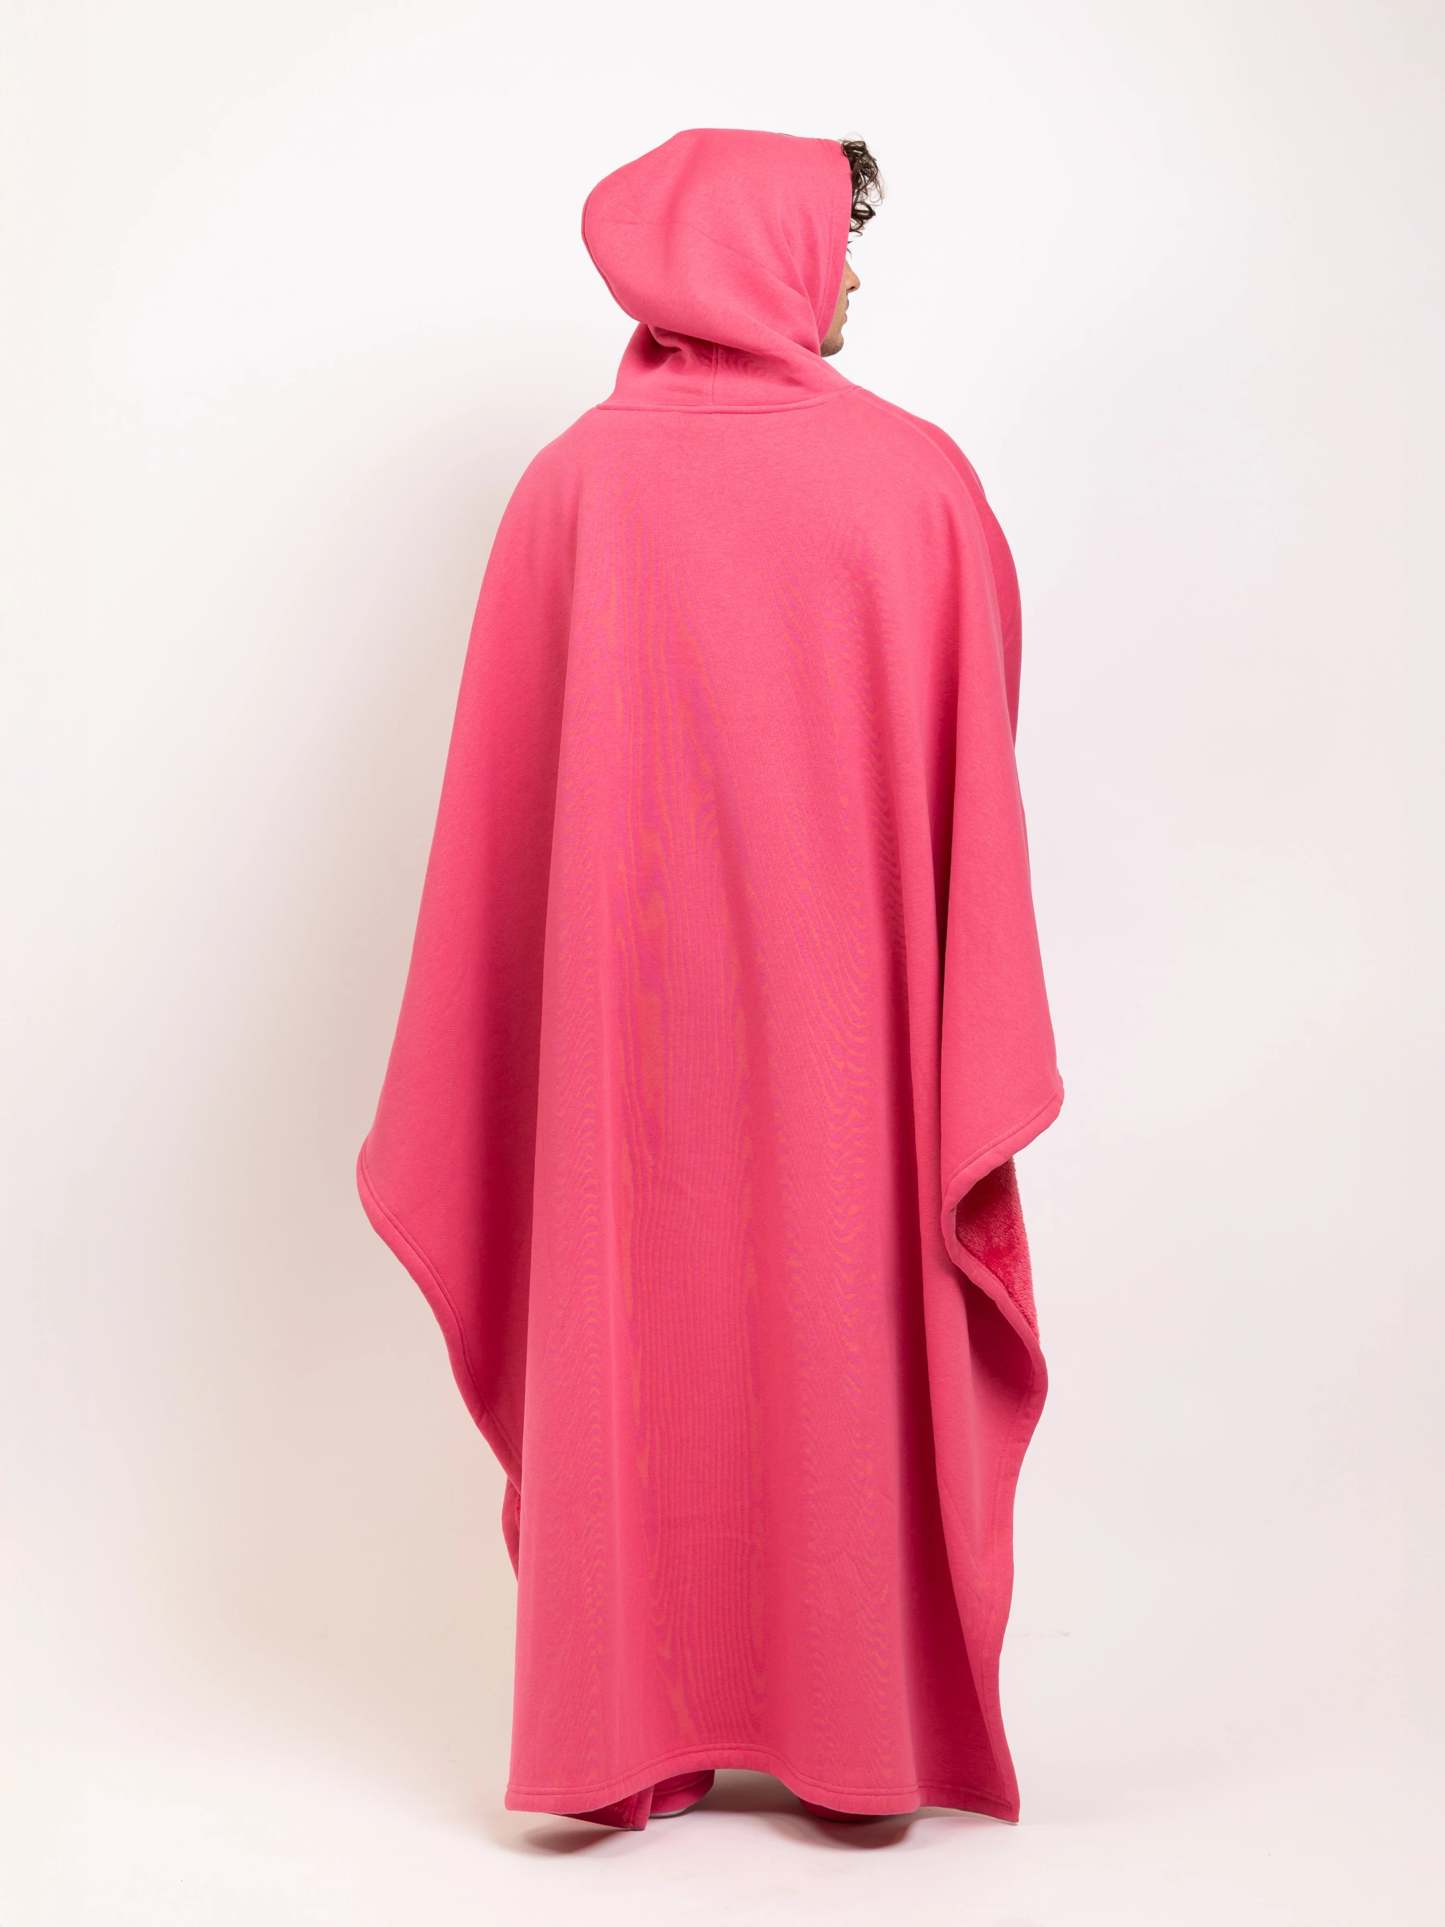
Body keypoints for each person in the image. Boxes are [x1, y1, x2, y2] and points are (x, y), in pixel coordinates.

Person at [356, 127, 1063, 1832]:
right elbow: (972, 732)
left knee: (634, 1320)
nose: (849, 277)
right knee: (840, 1320)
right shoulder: (914, 482)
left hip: (628, 1041)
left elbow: (507, 808)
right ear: (761, 250)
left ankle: (628, 1734)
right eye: (836, 239)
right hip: (850, 1027)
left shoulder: (571, 488)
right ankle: (856, 1739)